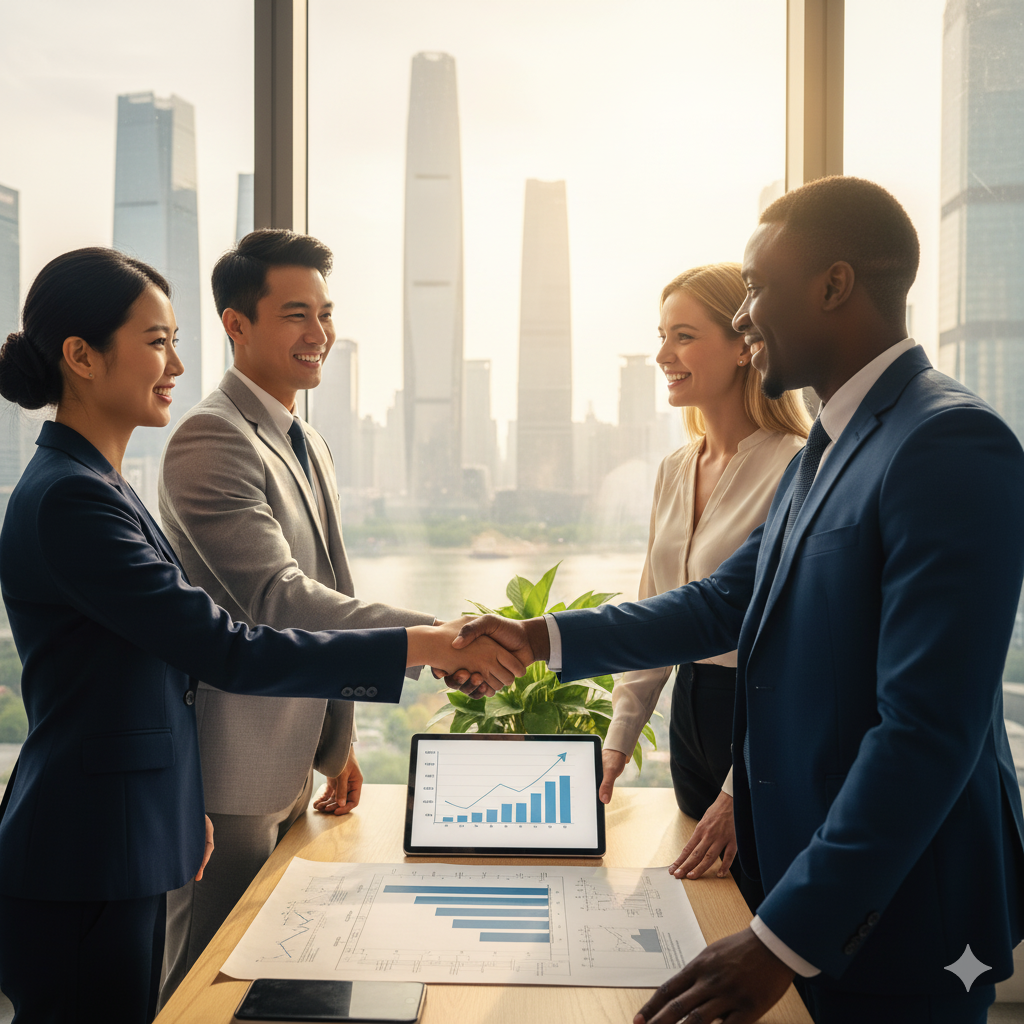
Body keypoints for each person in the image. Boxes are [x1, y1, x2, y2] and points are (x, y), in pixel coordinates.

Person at [451, 177, 1024, 1023]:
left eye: (757, 287)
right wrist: (538, 637)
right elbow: (718, 604)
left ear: (834, 286)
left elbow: (927, 731)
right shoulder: (827, 444)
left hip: (903, 907)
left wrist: (781, 939)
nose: (746, 314)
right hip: (812, 883)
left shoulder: (946, 441)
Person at [0, 247, 519, 1024]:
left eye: (175, 339)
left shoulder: (98, 486)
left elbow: (155, 674)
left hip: (132, 829)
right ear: (80, 356)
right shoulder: (74, 501)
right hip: (89, 849)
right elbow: (226, 644)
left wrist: (183, 802)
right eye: (154, 341)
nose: (176, 363)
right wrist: (431, 644)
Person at [156, 230, 442, 1003]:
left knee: (284, 973)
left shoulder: (304, 436)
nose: (319, 334)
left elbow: (328, 584)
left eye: (325, 312)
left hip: (291, 756)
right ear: (236, 325)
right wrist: (439, 641)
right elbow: (280, 600)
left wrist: (334, 738)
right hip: (233, 767)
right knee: (216, 979)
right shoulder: (209, 437)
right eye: (295, 314)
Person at [600, 263, 808, 907]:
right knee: (699, 908)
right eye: (662, 335)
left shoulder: (798, 465)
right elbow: (656, 616)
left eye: (683, 336)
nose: (663, 354)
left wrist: (737, 789)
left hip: (764, 716)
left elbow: (801, 652)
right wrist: (616, 744)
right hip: (692, 709)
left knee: (756, 906)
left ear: (744, 343)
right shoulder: (674, 468)